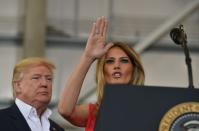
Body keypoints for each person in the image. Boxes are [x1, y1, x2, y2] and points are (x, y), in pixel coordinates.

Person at [58, 17, 145, 131]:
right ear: (103, 72)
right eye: (110, 61)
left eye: (124, 60)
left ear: (134, 70)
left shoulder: (147, 110)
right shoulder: (94, 112)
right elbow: (65, 110)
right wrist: (87, 57)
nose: (116, 66)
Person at [0, 57, 64, 131]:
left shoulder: (58, 129)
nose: (44, 83)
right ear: (18, 86)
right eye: (36, 78)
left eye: (49, 79)